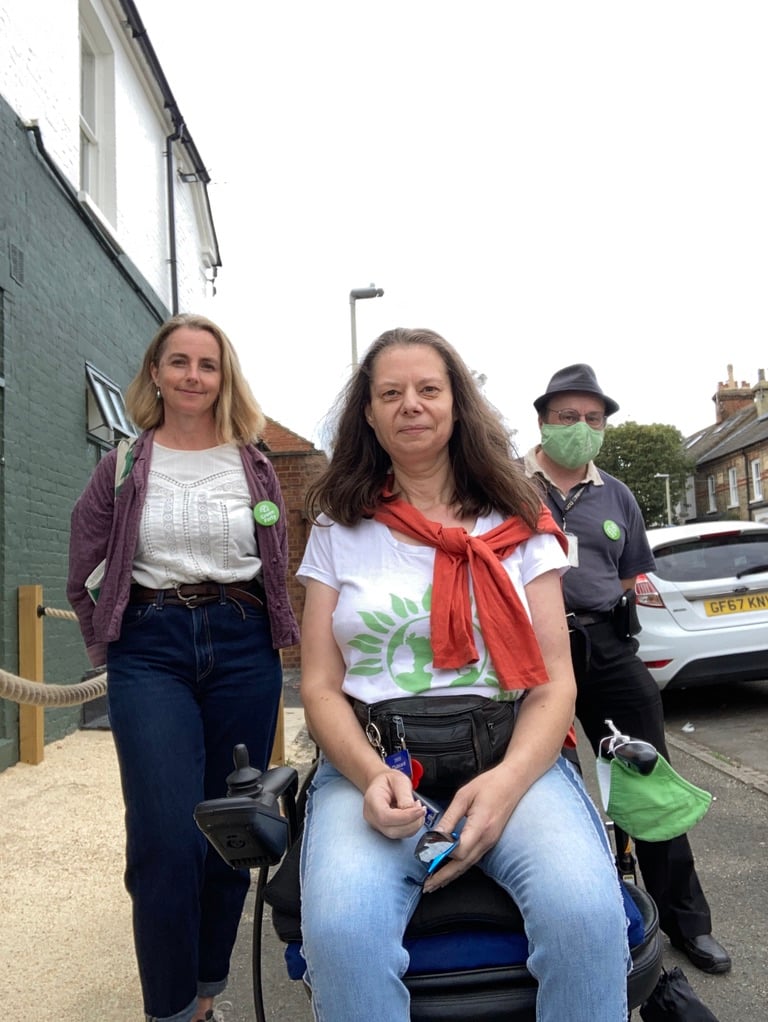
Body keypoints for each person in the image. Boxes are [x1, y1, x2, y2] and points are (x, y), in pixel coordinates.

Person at [296, 327, 631, 1022]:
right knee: (341, 935)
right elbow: (320, 687)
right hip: (377, 758)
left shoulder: (520, 517)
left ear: (457, 403)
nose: (410, 404)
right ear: (368, 412)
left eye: (428, 389)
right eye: (390, 392)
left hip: (509, 753)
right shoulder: (337, 522)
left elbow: (553, 685)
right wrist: (366, 775)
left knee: (588, 918)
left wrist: (507, 786)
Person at [67, 313, 300, 1022]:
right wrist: (106, 637)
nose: (193, 376)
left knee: (232, 827)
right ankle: (169, 1011)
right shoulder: (125, 464)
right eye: (179, 362)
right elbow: (83, 566)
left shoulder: (254, 460)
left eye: (208, 363)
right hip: (151, 646)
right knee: (165, 839)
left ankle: (205, 993)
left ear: (224, 375)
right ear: (156, 375)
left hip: (240, 645)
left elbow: (278, 557)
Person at [522, 362, 731, 975]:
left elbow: (625, 574)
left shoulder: (617, 494)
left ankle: (686, 923)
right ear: (542, 421)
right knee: (542, 792)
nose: (580, 428)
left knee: (648, 780)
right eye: (567, 417)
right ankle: (555, 927)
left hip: (604, 646)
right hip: (530, 654)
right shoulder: (504, 484)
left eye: (592, 419)